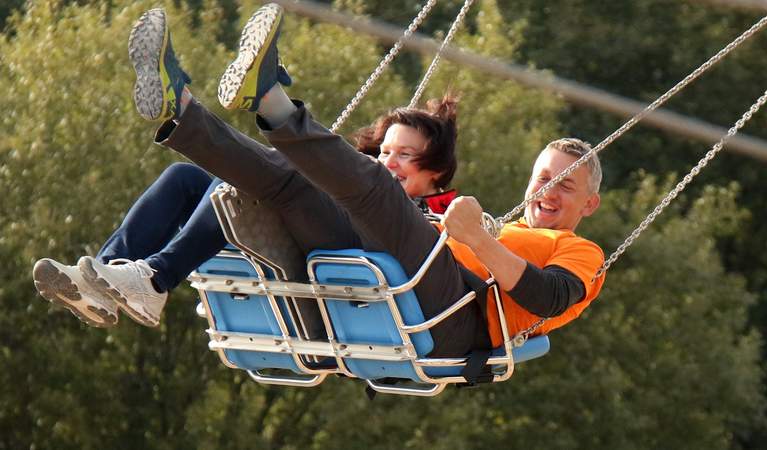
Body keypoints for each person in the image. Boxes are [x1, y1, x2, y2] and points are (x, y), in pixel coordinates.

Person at [111, 3, 606, 357]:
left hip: (456, 314)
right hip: (397, 272)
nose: (549, 190)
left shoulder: (582, 254)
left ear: (589, 205)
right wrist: (476, 234)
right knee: (292, 184)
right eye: (545, 177)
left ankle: (270, 102)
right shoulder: (504, 229)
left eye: (566, 184)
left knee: (377, 187)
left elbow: (547, 297)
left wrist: (475, 237)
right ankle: (184, 113)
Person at [31, 10, 461, 330]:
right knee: (183, 180)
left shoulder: (435, 223)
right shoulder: (358, 186)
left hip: (354, 257)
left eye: (405, 155)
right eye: (385, 151)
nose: (389, 162)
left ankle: (155, 278)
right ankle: (101, 279)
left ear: (435, 175)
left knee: (246, 182)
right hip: (312, 228)